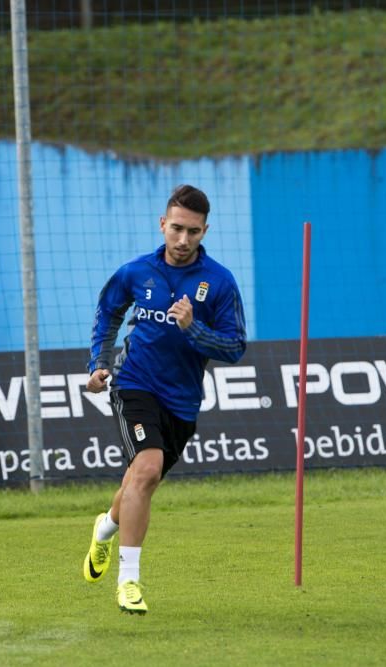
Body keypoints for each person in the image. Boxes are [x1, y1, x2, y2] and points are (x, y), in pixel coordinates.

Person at [81, 185, 247, 614]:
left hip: (183, 401)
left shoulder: (220, 282)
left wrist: (193, 328)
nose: (183, 239)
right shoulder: (136, 272)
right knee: (147, 467)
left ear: (204, 230)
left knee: (142, 480)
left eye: (193, 232)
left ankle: (105, 530)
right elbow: (108, 313)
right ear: (162, 224)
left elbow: (234, 347)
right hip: (134, 384)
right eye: (176, 229)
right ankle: (129, 581)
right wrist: (98, 364)